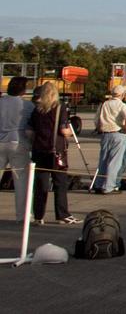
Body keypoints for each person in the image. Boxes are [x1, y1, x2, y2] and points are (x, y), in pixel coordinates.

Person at [28, 81, 77, 225]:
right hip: (56, 150)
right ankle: (62, 214)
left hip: (39, 149)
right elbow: (63, 130)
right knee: (60, 183)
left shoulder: (37, 109)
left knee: (40, 185)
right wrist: (69, 132)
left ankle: (38, 215)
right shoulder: (59, 108)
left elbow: (29, 131)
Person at [1, 76, 34, 221]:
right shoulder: (27, 106)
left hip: (0, 141)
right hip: (18, 142)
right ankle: (23, 215)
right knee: (21, 181)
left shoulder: (1, 102)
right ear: (23, 90)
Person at [92, 84, 126, 194]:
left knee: (103, 161)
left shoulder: (105, 104)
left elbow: (97, 119)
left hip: (105, 133)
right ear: (122, 95)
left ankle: (99, 184)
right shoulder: (122, 105)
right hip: (117, 133)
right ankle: (109, 186)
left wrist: (99, 128)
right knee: (115, 162)